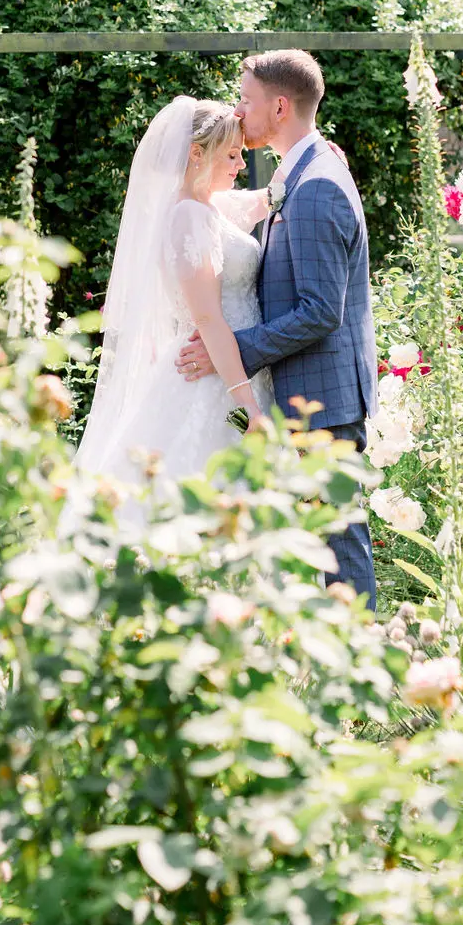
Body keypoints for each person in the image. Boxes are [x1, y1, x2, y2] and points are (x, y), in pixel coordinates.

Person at [176, 49, 379, 610]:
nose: (240, 112)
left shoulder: (316, 186)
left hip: (323, 399)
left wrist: (231, 353)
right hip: (301, 391)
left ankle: (362, 670)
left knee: (340, 543)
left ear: (281, 105)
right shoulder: (298, 174)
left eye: (246, 99)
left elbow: (319, 310)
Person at [71, 97, 272, 487]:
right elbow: (208, 317)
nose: (242, 165)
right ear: (197, 153)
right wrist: (247, 405)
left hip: (239, 367)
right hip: (216, 378)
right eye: (232, 156)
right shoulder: (188, 215)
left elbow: (264, 199)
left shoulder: (209, 206)